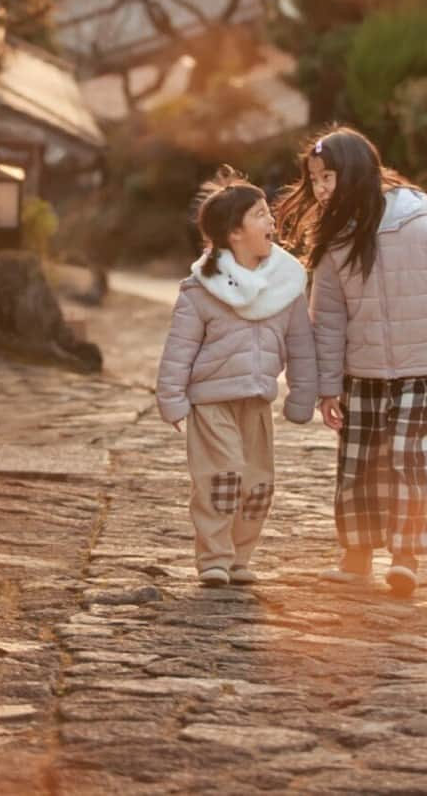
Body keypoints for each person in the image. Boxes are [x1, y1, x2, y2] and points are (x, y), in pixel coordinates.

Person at [275, 128, 427, 599]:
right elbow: (329, 318)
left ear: (358, 172)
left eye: (329, 177)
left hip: (423, 367)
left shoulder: (421, 224)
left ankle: (405, 556)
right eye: (315, 179)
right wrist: (327, 387)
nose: (320, 189)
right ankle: (356, 554)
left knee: (410, 456)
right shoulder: (335, 239)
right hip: (360, 372)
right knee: (358, 462)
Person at [156, 166, 318, 586]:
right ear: (234, 232)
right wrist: (171, 397)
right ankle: (214, 556)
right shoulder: (202, 289)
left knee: (258, 483)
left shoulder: (286, 286)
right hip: (211, 401)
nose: (272, 222)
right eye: (261, 214)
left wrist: (303, 395)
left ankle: (240, 557)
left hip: (258, 400)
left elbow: (301, 345)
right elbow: (179, 349)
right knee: (222, 476)